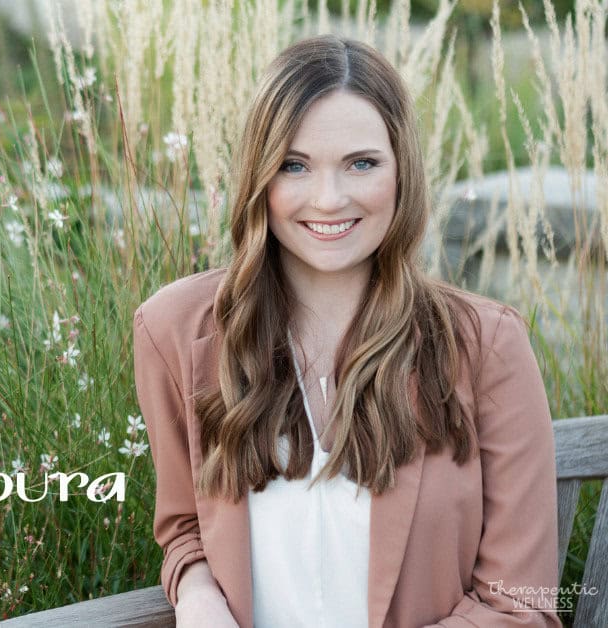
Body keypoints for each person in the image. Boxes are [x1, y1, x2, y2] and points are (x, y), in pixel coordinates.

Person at [132, 34, 561, 627]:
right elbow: (184, 526)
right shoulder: (175, 331)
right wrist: (197, 594)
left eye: (361, 163)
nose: (329, 199)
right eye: (294, 165)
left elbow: (524, 607)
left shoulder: (487, 347)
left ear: (401, 171)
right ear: (260, 175)